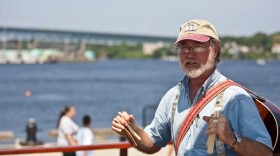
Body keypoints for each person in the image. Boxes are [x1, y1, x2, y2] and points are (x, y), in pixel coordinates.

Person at [112, 19, 273, 156]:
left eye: (198, 46)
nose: (189, 54)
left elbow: (266, 152)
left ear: (215, 50)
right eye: (183, 47)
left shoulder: (235, 97)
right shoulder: (173, 96)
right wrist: (130, 130)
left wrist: (233, 140)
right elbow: (152, 143)